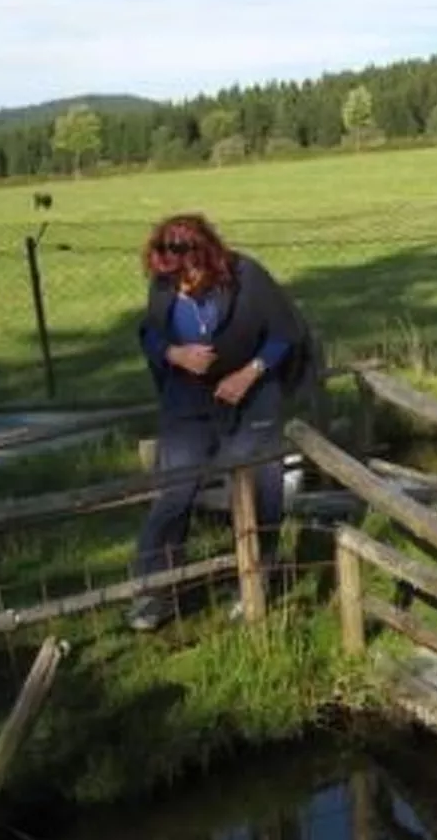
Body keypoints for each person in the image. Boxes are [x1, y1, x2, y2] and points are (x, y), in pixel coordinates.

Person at [126, 214, 318, 633]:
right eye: (171, 276)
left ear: (207, 255)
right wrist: (175, 356)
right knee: (175, 490)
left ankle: (253, 580)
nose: (180, 282)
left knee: (258, 484)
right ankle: (153, 590)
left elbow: (285, 333)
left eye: (187, 273)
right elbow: (150, 334)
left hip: (252, 394)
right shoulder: (163, 280)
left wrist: (249, 372)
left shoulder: (248, 277)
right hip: (188, 399)